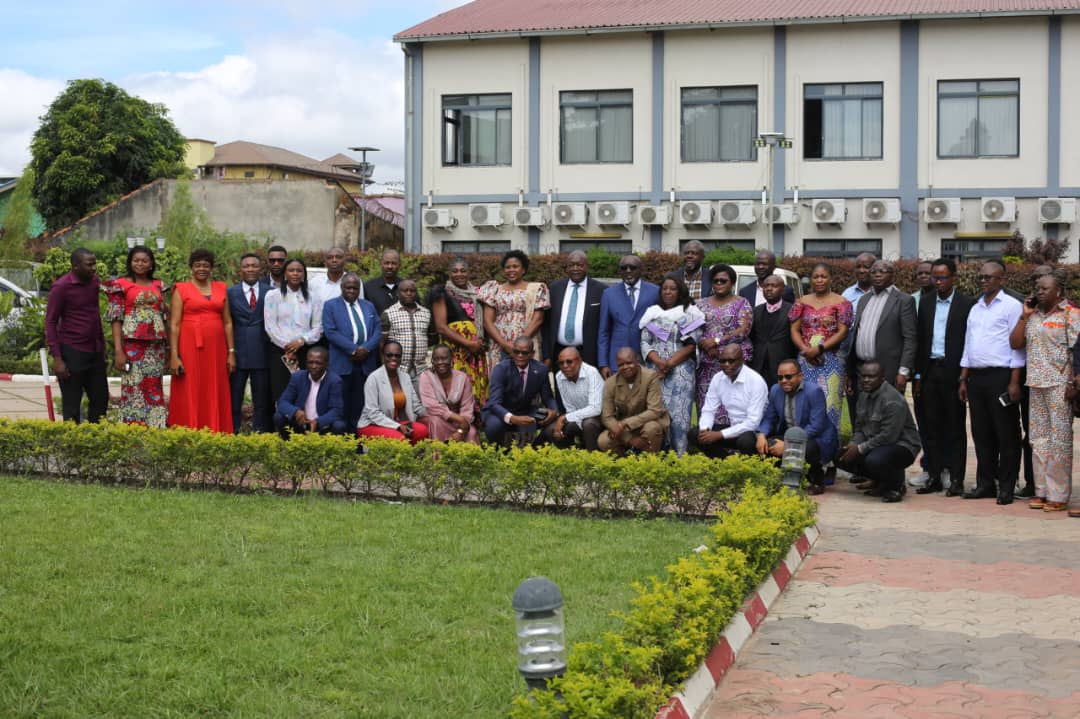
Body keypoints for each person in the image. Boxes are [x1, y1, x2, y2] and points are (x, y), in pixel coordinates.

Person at [1009, 271, 1080, 513]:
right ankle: (1042, 491)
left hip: (1060, 385)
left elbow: (1077, 351)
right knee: (1038, 441)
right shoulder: (1032, 315)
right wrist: (1024, 315)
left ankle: (1058, 494)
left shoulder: (1071, 314)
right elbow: (1015, 343)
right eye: (1037, 288)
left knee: (1059, 441)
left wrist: (1074, 383)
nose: (1039, 291)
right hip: (1035, 384)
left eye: (1044, 288)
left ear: (1058, 291)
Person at [958, 261, 1025, 504]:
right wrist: (963, 378)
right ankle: (985, 483)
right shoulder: (976, 308)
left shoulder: (1011, 306)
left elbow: (1018, 348)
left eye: (988, 277)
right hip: (976, 378)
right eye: (981, 277)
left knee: (1006, 434)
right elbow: (969, 344)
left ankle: (1006, 486)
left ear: (1001, 280)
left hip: (1002, 377)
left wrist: (1014, 382)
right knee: (981, 433)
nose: (983, 281)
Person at [912, 258, 975, 496]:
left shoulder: (966, 303)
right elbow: (920, 341)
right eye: (935, 277)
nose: (938, 282)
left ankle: (956, 479)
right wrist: (918, 375)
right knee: (931, 426)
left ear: (953, 278)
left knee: (954, 427)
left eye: (943, 277)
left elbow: (969, 341)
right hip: (929, 371)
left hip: (953, 372)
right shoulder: (926, 303)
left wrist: (964, 377)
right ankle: (934, 476)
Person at [167, 249, 235, 432]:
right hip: (189, 347)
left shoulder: (221, 288)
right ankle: (188, 430)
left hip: (217, 349)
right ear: (191, 268)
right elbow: (174, 324)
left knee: (215, 386)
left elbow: (228, 322)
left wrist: (231, 352)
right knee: (190, 386)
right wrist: (174, 355)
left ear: (211, 268)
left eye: (206, 265)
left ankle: (217, 430)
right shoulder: (181, 289)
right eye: (197, 265)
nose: (202, 269)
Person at [837, 361, 920, 503]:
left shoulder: (893, 400)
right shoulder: (863, 395)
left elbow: (889, 437)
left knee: (875, 460)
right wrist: (854, 444)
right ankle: (880, 480)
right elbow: (859, 427)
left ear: (882, 378)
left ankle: (896, 486)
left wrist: (860, 448)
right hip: (877, 444)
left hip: (902, 446)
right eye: (863, 376)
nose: (866, 380)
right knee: (840, 457)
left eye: (871, 376)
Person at [104, 246, 168, 428]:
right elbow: (116, 319)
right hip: (131, 345)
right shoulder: (120, 285)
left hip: (156, 346)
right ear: (130, 263)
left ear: (151, 264)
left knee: (154, 386)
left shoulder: (160, 285)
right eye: (136, 260)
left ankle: (156, 427)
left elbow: (165, 316)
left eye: (144, 261)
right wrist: (118, 350)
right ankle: (132, 428)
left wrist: (170, 348)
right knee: (132, 387)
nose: (140, 264)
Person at [640, 277, 704, 455]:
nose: (668, 292)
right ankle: (657, 454)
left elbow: (691, 345)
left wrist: (668, 364)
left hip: (681, 372)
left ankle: (679, 456)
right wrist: (658, 362)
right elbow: (645, 342)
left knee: (679, 418)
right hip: (655, 372)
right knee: (655, 414)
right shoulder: (652, 313)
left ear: (680, 292)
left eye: (673, 288)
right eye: (664, 288)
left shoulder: (690, 313)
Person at [845, 260, 916, 419]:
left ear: (892, 275)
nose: (877, 275)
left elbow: (910, 339)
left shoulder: (904, 300)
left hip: (887, 371)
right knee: (860, 416)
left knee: (886, 417)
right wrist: (849, 371)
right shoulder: (864, 299)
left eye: (882, 271)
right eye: (874, 272)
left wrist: (903, 372)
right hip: (861, 369)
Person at [45, 248, 109, 423]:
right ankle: (73, 439)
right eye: (89, 265)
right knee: (72, 406)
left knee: (100, 401)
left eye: (94, 264)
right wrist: (58, 359)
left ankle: (95, 436)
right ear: (75, 266)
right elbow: (50, 322)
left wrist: (102, 348)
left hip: (94, 352)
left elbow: (95, 316)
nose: (94, 268)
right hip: (72, 351)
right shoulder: (61, 287)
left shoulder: (94, 282)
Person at [788, 262, 852, 438]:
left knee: (830, 402)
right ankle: (804, 444)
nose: (820, 280)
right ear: (811, 279)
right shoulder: (801, 302)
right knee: (805, 401)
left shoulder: (842, 302)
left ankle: (829, 447)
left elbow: (843, 331)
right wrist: (805, 350)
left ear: (830, 279)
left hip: (832, 359)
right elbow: (794, 330)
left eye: (824, 276)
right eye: (816, 277)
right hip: (805, 360)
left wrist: (820, 348)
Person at [756, 359, 838, 494]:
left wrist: (788, 445)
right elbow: (769, 418)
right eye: (780, 377)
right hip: (791, 434)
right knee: (768, 444)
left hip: (817, 438)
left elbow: (816, 426)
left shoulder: (814, 391)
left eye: (788, 376)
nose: (784, 381)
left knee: (808, 447)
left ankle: (817, 481)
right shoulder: (776, 390)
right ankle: (783, 478)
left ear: (800, 376)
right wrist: (761, 435)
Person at [323, 272, 382, 430]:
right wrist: (354, 350)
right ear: (341, 287)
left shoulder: (368, 305)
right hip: (342, 363)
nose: (351, 291)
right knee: (341, 405)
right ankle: (341, 438)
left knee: (360, 404)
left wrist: (366, 349)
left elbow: (377, 330)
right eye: (348, 287)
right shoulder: (330, 305)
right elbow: (330, 332)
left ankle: (358, 437)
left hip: (365, 364)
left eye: (355, 288)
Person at [427, 258, 488, 405]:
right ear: (449, 273)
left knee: (476, 389)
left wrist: (477, 344)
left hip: (476, 350)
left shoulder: (479, 294)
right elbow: (441, 327)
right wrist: (468, 344)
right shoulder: (442, 293)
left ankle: (476, 415)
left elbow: (484, 322)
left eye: (463, 270)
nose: (459, 274)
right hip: (455, 351)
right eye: (455, 271)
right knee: (458, 388)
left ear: (469, 273)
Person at [264, 257, 323, 406]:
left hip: (305, 352)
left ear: (304, 274)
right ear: (285, 274)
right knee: (281, 394)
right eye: (291, 270)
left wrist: (301, 341)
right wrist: (288, 346)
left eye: (299, 271)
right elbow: (270, 326)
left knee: (304, 395)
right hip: (281, 352)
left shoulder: (314, 297)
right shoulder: (273, 296)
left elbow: (318, 327)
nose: (295, 273)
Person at [692, 343, 768, 458]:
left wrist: (720, 434)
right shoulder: (718, 378)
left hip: (754, 432)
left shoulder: (756, 381)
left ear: (742, 360)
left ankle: (751, 466)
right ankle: (724, 463)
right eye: (722, 361)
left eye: (731, 361)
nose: (726, 364)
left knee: (745, 441)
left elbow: (753, 423)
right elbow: (708, 410)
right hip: (732, 428)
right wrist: (705, 429)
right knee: (695, 434)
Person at [478, 250, 549, 371]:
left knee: (525, 377)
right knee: (501, 377)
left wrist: (519, 345)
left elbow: (538, 319)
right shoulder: (494, 289)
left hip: (526, 342)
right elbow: (487, 321)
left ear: (523, 269)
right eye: (508, 267)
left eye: (515, 266)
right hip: (499, 343)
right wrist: (505, 345)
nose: (511, 270)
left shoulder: (536, 289)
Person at [695, 263, 753, 409]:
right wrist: (705, 344)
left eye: (723, 280)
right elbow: (692, 329)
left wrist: (716, 341)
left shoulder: (742, 303)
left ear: (732, 283)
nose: (719, 283)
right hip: (706, 364)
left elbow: (743, 330)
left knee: (732, 405)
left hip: (731, 363)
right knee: (707, 405)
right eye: (716, 281)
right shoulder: (700, 304)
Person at [481, 336, 557, 446]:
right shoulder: (501, 369)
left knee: (552, 419)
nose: (520, 355)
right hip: (500, 411)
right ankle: (498, 450)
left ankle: (537, 446)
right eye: (516, 352)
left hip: (526, 410)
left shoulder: (541, 369)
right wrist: (512, 418)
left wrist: (553, 411)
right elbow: (494, 403)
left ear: (532, 354)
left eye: (524, 353)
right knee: (494, 425)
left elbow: (548, 398)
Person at [227, 253, 273, 433]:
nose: (250, 269)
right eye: (246, 266)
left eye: (254, 266)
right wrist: (230, 351)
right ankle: (233, 432)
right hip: (238, 353)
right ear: (240, 270)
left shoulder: (271, 292)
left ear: (260, 268)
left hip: (262, 352)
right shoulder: (231, 293)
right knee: (234, 397)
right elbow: (227, 322)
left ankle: (259, 433)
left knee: (261, 399)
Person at [597, 347, 669, 456]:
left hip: (648, 422)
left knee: (651, 429)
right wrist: (629, 439)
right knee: (603, 441)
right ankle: (624, 463)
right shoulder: (610, 383)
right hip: (625, 430)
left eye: (629, 363)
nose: (625, 367)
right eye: (621, 365)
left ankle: (651, 461)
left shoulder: (650, 377)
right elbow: (607, 417)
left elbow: (654, 411)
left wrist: (625, 423)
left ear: (637, 361)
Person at [597, 255, 659, 377]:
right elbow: (604, 332)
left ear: (641, 269)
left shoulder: (655, 291)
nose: (628, 271)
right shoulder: (609, 294)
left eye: (632, 267)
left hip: (646, 358)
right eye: (624, 268)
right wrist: (603, 364)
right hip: (618, 360)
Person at [358, 341, 430, 444]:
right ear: (383, 356)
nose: (393, 358)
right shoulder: (373, 378)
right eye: (389, 355)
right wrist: (398, 426)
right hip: (372, 424)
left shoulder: (405, 377)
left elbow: (416, 406)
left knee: (423, 431)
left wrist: (434, 414)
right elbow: (373, 413)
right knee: (399, 439)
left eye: (397, 355)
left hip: (396, 422)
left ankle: (412, 453)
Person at [543, 250, 605, 369]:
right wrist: (547, 354)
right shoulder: (554, 288)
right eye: (571, 265)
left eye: (580, 265)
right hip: (559, 353)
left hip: (588, 354)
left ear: (587, 266)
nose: (575, 268)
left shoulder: (600, 290)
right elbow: (547, 324)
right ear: (567, 267)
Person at [537, 347, 604, 451]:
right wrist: (562, 426)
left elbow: (595, 408)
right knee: (551, 430)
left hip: (599, 417)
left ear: (579, 361)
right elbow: (569, 407)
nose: (565, 366)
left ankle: (594, 457)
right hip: (578, 417)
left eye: (569, 362)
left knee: (588, 424)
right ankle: (574, 454)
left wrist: (564, 418)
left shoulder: (592, 373)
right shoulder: (559, 376)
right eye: (561, 363)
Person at [273, 345, 347, 438]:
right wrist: (295, 412)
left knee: (339, 425)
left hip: (322, 426)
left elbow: (337, 410)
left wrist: (318, 422)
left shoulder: (334, 381)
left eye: (318, 363)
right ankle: (288, 444)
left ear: (327, 364)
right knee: (279, 416)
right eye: (310, 362)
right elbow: (282, 402)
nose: (314, 366)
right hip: (300, 423)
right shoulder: (298, 377)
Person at [417, 345, 479, 443]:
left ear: (451, 359)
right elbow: (431, 406)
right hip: (434, 418)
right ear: (432, 361)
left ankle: (467, 453)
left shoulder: (463, 378)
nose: (440, 362)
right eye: (436, 359)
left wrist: (461, 430)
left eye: (444, 358)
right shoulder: (426, 376)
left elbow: (467, 408)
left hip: (458, 422)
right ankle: (437, 452)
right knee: (436, 422)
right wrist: (458, 419)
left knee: (471, 433)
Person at [750, 275, 798, 387]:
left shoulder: (792, 310)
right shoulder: (756, 311)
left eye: (774, 286)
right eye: (766, 286)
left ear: (782, 289)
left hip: (782, 366)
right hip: (758, 366)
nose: (769, 289)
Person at [380, 279, 431, 383]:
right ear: (398, 293)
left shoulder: (426, 313)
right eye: (405, 291)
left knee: (421, 394)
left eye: (412, 291)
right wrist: (384, 366)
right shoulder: (388, 313)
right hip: (397, 369)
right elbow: (382, 343)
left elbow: (430, 338)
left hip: (421, 369)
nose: (409, 293)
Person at [364, 248, 402, 316]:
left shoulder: (407, 288)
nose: (390, 266)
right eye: (387, 263)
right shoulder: (368, 287)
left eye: (393, 263)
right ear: (381, 264)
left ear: (399, 265)